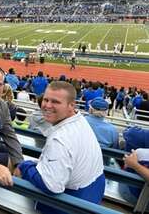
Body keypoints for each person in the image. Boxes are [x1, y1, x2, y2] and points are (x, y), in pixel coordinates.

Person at [14, 81, 105, 214]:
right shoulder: (80, 119)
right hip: (95, 190)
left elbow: (52, 187)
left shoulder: (60, 140)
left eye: (55, 102)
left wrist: (25, 167)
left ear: (71, 105)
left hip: (72, 203)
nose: (47, 106)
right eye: (46, 99)